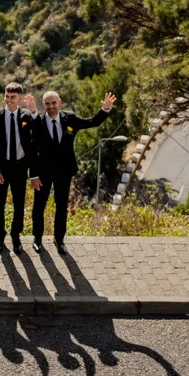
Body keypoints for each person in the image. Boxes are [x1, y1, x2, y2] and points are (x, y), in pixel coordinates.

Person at [30, 90, 117, 255]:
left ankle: (59, 240)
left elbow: (91, 122)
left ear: (60, 102)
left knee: (62, 206)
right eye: (47, 104)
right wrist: (33, 175)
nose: (51, 107)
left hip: (64, 171)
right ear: (43, 105)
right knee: (39, 206)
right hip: (43, 173)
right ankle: (37, 239)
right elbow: (32, 150)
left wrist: (105, 109)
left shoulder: (69, 118)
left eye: (54, 103)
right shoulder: (38, 121)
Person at [0, 83, 38, 255]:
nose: (9, 100)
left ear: (20, 99)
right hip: (2, 167)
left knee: (19, 203)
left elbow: (38, 134)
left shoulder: (25, 116)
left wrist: (34, 111)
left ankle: (16, 237)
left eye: (13, 97)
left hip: (20, 167)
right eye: (7, 97)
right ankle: (0, 237)